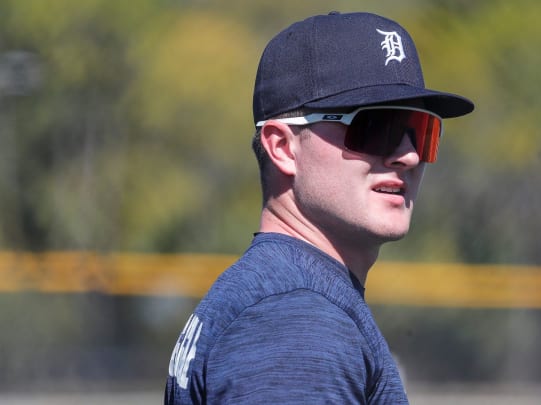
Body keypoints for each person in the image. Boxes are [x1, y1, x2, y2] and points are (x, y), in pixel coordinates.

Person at [164, 11, 473, 404]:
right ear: (282, 147)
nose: (409, 155)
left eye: (422, 131)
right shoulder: (293, 323)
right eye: (377, 127)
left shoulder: (281, 297)